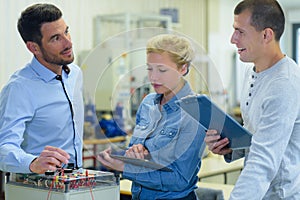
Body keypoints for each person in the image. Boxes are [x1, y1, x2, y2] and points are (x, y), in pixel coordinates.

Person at [205, 0, 300, 199]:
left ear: (266, 35)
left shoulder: (284, 83)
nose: (233, 39)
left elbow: (263, 160)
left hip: (280, 195)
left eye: (240, 31)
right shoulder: (252, 72)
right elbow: (256, 137)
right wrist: (231, 146)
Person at [98, 34, 206, 200]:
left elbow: (180, 180)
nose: (153, 77)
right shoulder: (148, 103)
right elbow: (136, 151)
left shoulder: (195, 113)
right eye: (150, 68)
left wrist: (126, 168)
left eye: (162, 70)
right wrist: (134, 152)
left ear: (183, 68)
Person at [0, 3, 84, 174]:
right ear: (34, 47)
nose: (68, 43)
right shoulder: (19, 88)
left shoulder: (75, 74)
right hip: (36, 187)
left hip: (73, 181)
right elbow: (3, 147)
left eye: (66, 31)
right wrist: (33, 163)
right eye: (55, 38)